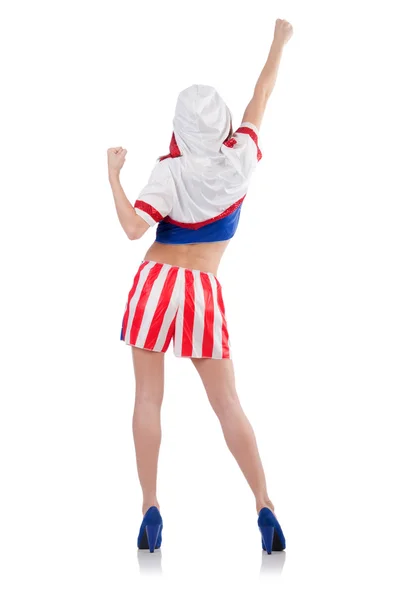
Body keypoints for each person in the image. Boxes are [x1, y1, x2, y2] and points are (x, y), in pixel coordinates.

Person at [107, 19, 293, 554]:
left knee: (147, 398)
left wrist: (113, 175)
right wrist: (279, 41)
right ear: (224, 125)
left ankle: (150, 508)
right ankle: (264, 504)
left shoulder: (168, 172)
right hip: (203, 291)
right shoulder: (241, 160)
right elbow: (263, 91)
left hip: (155, 283)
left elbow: (132, 229)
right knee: (228, 403)